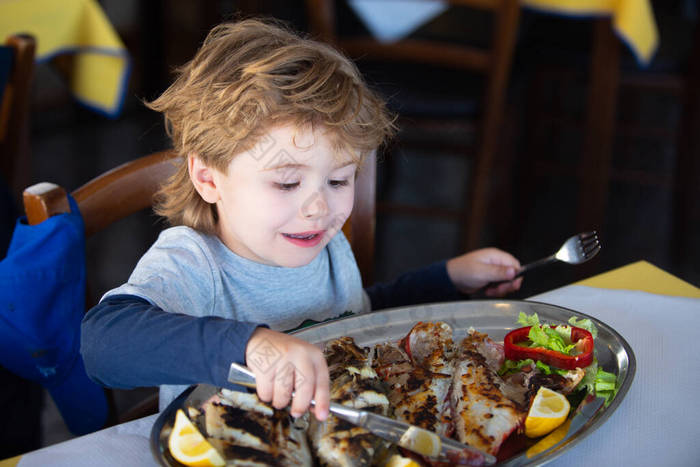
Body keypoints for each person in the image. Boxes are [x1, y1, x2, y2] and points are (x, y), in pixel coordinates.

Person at [80, 18, 522, 422]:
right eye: (287, 184)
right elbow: (102, 346)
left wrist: (446, 280)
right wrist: (252, 345)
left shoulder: (322, 243)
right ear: (208, 178)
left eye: (339, 180)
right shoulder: (193, 263)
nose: (319, 207)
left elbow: (359, 318)